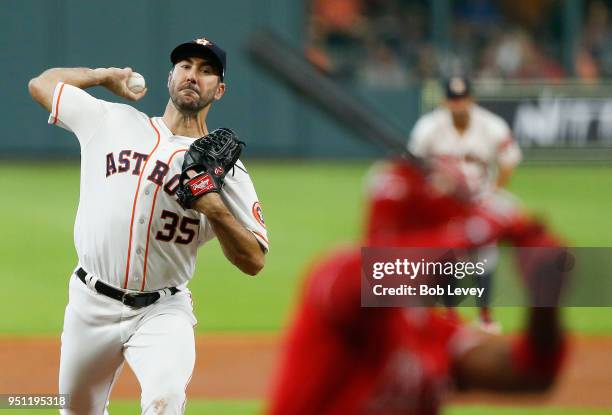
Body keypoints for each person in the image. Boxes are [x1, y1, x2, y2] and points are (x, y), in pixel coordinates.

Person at [28, 37, 268, 415]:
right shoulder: (111, 121)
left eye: (206, 71)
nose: (194, 75)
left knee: (165, 400)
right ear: (171, 76)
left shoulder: (226, 172)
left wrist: (216, 209)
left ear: (219, 90)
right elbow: (41, 84)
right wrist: (100, 76)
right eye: (186, 66)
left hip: (162, 310)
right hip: (89, 304)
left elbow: (254, 260)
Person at [267, 159, 566, 415]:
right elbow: (381, 272)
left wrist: (544, 298)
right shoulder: (339, 275)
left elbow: (531, 373)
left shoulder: (430, 331)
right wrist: (481, 228)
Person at [407, 76, 522, 332]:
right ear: (445, 101)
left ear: (471, 99)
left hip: (479, 198)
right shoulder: (429, 127)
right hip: (443, 201)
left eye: (462, 99)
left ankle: (485, 316)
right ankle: (448, 315)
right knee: (447, 255)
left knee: (484, 252)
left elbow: (510, 159)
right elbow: (412, 163)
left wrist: (493, 191)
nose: (458, 104)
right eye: (453, 99)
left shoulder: (491, 125)